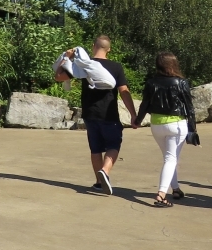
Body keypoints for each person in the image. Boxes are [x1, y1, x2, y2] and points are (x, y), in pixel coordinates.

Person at [55, 36, 137, 194]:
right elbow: (124, 91)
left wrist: (66, 57)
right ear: (109, 49)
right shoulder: (116, 67)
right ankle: (105, 171)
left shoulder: (84, 65)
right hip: (109, 113)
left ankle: (99, 183)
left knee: (95, 148)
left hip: (90, 113)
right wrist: (133, 114)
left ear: (93, 46)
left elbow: (59, 77)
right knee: (113, 145)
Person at [136, 53, 196, 208]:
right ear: (174, 64)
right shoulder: (181, 82)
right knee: (171, 159)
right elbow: (189, 108)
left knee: (169, 158)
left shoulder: (151, 82)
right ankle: (161, 195)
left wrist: (137, 121)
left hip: (156, 124)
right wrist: (193, 129)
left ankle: (175, 189)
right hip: (176, 125)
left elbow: (144, 104)